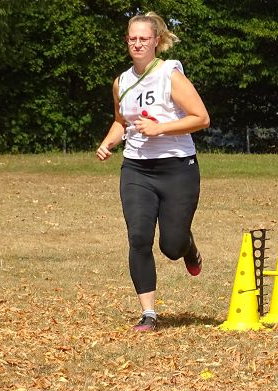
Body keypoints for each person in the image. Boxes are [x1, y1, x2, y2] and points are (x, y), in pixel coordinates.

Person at [96, 12, 210, 332]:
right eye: (132, 38)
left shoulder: (169, 74)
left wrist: (161, 129)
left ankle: (187, 245)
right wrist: (108, 143)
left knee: (171, 247)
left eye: (143, 38)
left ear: (156, 41)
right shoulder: (121, 82)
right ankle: (149, 313)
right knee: (138, 237)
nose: (137, 43)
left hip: (177, 168)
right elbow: (122, 121)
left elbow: (201, 118)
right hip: (136, 169)